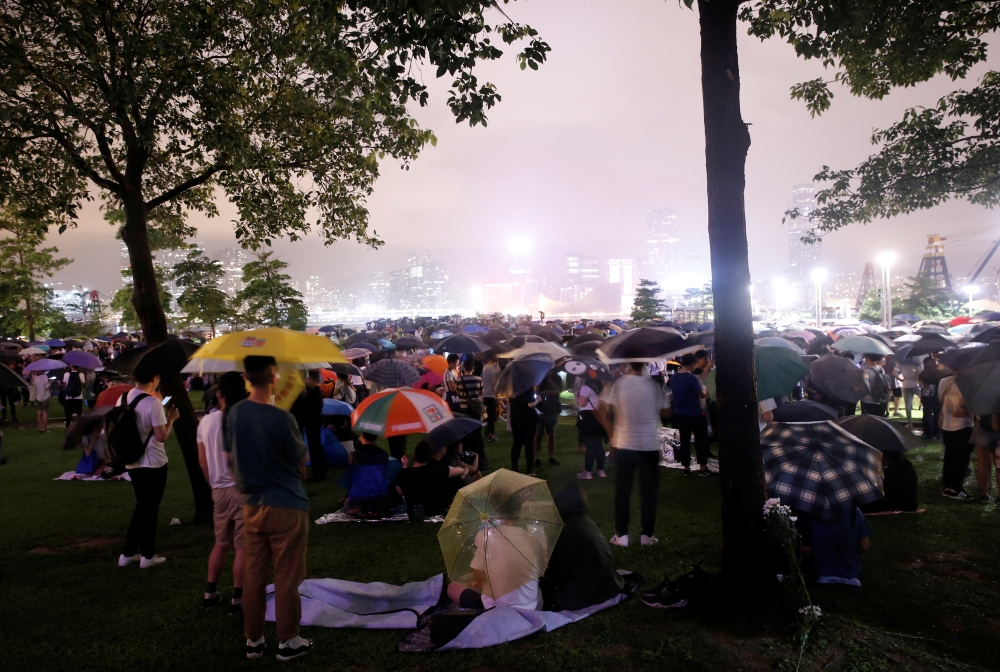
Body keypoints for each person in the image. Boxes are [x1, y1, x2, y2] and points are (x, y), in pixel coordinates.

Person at [225, 355, 313, 661]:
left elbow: (228, 458)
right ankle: (288, 640)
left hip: (251, 505)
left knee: (254, 573)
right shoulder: (280, 417)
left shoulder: (234, 413)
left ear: (246, 377)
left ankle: (254, 639)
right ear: (273, 376)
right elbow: (299, 457)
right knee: (287, 575)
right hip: (286, 504)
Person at [597, 362, 672, 547]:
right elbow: (666, 412)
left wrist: (611, 431)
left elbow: (599, 407)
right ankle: (647, 535)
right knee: (649, 493)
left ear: (629, 363)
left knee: (623, 491)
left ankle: (621, 535)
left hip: (625, 444)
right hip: (649, 445)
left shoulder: (619, 383)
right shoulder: (655, 385)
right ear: (645, 363)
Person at [118, 358, 178, 570]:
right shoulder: (152, 403)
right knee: (149, 508)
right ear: (154, 379)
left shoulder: (123, 398)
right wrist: (170, 419)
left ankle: (128, 553)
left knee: (142, 507)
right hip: (153, 461)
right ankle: (148, 554)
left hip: (132, 460)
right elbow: (161, 436)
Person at [197, 371, 249, 615]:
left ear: (219, 394)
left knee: (221, 542)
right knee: (242, 546)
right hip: (241, 490)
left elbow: (202, 461)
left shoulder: (205, 422)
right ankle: (238, 599)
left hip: (218, 489)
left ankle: (210, 593)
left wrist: (213, 485)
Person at [540, 482, 624, 611]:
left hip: (584, 593)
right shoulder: (585, 522)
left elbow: (560, 570)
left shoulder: (564, 529)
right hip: (610, 585)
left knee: (541, 590)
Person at [394, 440, 469, 518]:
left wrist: (404, 466)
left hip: (413, 512)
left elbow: (400, 491)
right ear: (429, 457)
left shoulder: (403, 473)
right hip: (435, 510)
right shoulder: (435, 470)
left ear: (415, 455)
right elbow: (461, 470)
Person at [799, 507, 871, 587]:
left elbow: (806, 550)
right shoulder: (855, 511)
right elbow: (865, 545)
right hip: (850, 575)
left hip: (821, 575)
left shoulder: (811, 513)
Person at [668, 353, 710, 475]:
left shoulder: (674, 377)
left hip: (679, 413)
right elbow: (701, 394)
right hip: (695, 413)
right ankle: (703, 468)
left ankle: (686, 468)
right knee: (700, 440)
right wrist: (705, 391)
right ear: (693, 364)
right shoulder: (692, 378)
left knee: (684, 441)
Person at [939, 374, 975, 499]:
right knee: (961, 458)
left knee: (950, 456)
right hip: (963, 425)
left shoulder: (944, 381)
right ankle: (955, 488)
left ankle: (948, 485)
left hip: (947, 425)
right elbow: (965, 404)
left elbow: (941, 400)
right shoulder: (967, 382)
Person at [290, 370, 329, 481]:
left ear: (313, 379)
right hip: (311, 421)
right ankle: (321, 469)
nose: (306, 381)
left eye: (308, 379)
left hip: (313, 421)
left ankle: (319, 471)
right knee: (315, 445)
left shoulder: (315, 390)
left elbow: (313, 406)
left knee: (314, 446)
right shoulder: (312, 390)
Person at [341, 433, 393, 515]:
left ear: (363, 437)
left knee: (346, 509)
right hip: (380, 493)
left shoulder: (354, 455)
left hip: (360, 494)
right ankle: (374, 508)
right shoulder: (384, 454)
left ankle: (362, 508)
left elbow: (350, 477)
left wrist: (349, 495)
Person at [456, 359, 487, 469]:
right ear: (473, 367)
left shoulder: (459, 380)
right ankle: (481, 458)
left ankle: (468, 458)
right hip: (476, 409)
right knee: (477, 433)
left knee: (467, 435)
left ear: (464, 367)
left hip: (464, 409)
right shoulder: (478, 379)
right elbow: (481, 392)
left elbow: (458, 392)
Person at [576, 377, 607, 479]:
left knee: (590, 446)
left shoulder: (586, 387)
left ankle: (587, 472)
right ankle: (601, 471)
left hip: (588, 418)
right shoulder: (601, 387)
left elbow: (582, 403)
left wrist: (577, 395)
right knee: (598, 445)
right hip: (599, 417)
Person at [532, 373, 562, 470]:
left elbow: (557, 391)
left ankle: (551, 457)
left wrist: (549, 379)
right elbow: (535, 392)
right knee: (538, 435)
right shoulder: (537, 377)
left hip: (552, 410)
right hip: (539, 410)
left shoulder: (556, 378)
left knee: (551, 434)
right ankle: (537, 458)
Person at [509, 387, 540, 474]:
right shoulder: (527, 388)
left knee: (517, 444)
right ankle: (530, 468)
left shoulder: (512, 389)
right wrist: (538, 400)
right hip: (528, 419)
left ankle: (514, 467)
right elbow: (530, 404)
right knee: (529, 444)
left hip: (515, 418)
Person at [973, 412, 1000, 504]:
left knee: (983, 463)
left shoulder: (981, 397)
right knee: (999, 465)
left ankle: (984, 494)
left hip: (982, 428)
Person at [918, 355, 948, 440]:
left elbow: (921, 385)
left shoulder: (923, 374)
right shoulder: (940, 373)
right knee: (937, 414)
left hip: (926, 395)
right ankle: (937, 432)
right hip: (937, 395)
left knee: (927, 414)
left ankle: (928, 433)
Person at [894, 357, 923, 427]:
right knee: (925, 402)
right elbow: (921, 373)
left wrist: (900, 379)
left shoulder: (901, 362)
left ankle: (910, 423)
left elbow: (894, 373)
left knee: (908, 404)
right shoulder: (919, 362)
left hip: (906, 384)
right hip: (916, 384)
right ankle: (926, 419)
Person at [481, 353, 500, 442]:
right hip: (492, 394)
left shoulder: (485, 367)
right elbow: (495, 384)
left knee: (488, 415)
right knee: (491, 416)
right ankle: (491, 435)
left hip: (485, 394)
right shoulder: (494, 369)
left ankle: (486, 433)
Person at [61, 364, 86, 428]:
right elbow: (82, 384)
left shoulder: (66, 374)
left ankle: (68, 426)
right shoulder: (81, 374)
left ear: (71, 366)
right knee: (79, 412)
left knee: (68, 414)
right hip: (78, 396)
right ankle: (80, 426)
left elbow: (66, 384)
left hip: (69, 396)